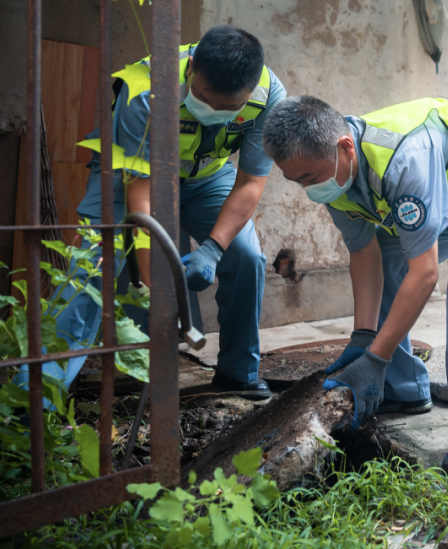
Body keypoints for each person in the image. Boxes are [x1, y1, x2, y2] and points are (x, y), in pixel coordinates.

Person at [262, 96, 448, 469]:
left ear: (345, 148)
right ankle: (402, 388)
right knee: (389, 251)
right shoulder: (334, 173)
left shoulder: (402, 158)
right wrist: (364, 337)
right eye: (295, 180)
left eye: (310, 178)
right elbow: (366, 253)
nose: (307, 189)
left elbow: (425, 273)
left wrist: (375, 359)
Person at [44, 25, 284, 400]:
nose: (214, 112)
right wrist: (156, 288)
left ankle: (238, 373)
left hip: (207, 177)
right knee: (92, 266)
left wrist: (213, 249)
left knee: (247, 257)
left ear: (249, 92)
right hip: (131, 177)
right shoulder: (144, 87)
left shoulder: (269, 97)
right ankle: (40, 393)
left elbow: (251, 183)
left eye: (229, 106)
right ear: (191, 70)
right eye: (204, 97)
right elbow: (142, 196)